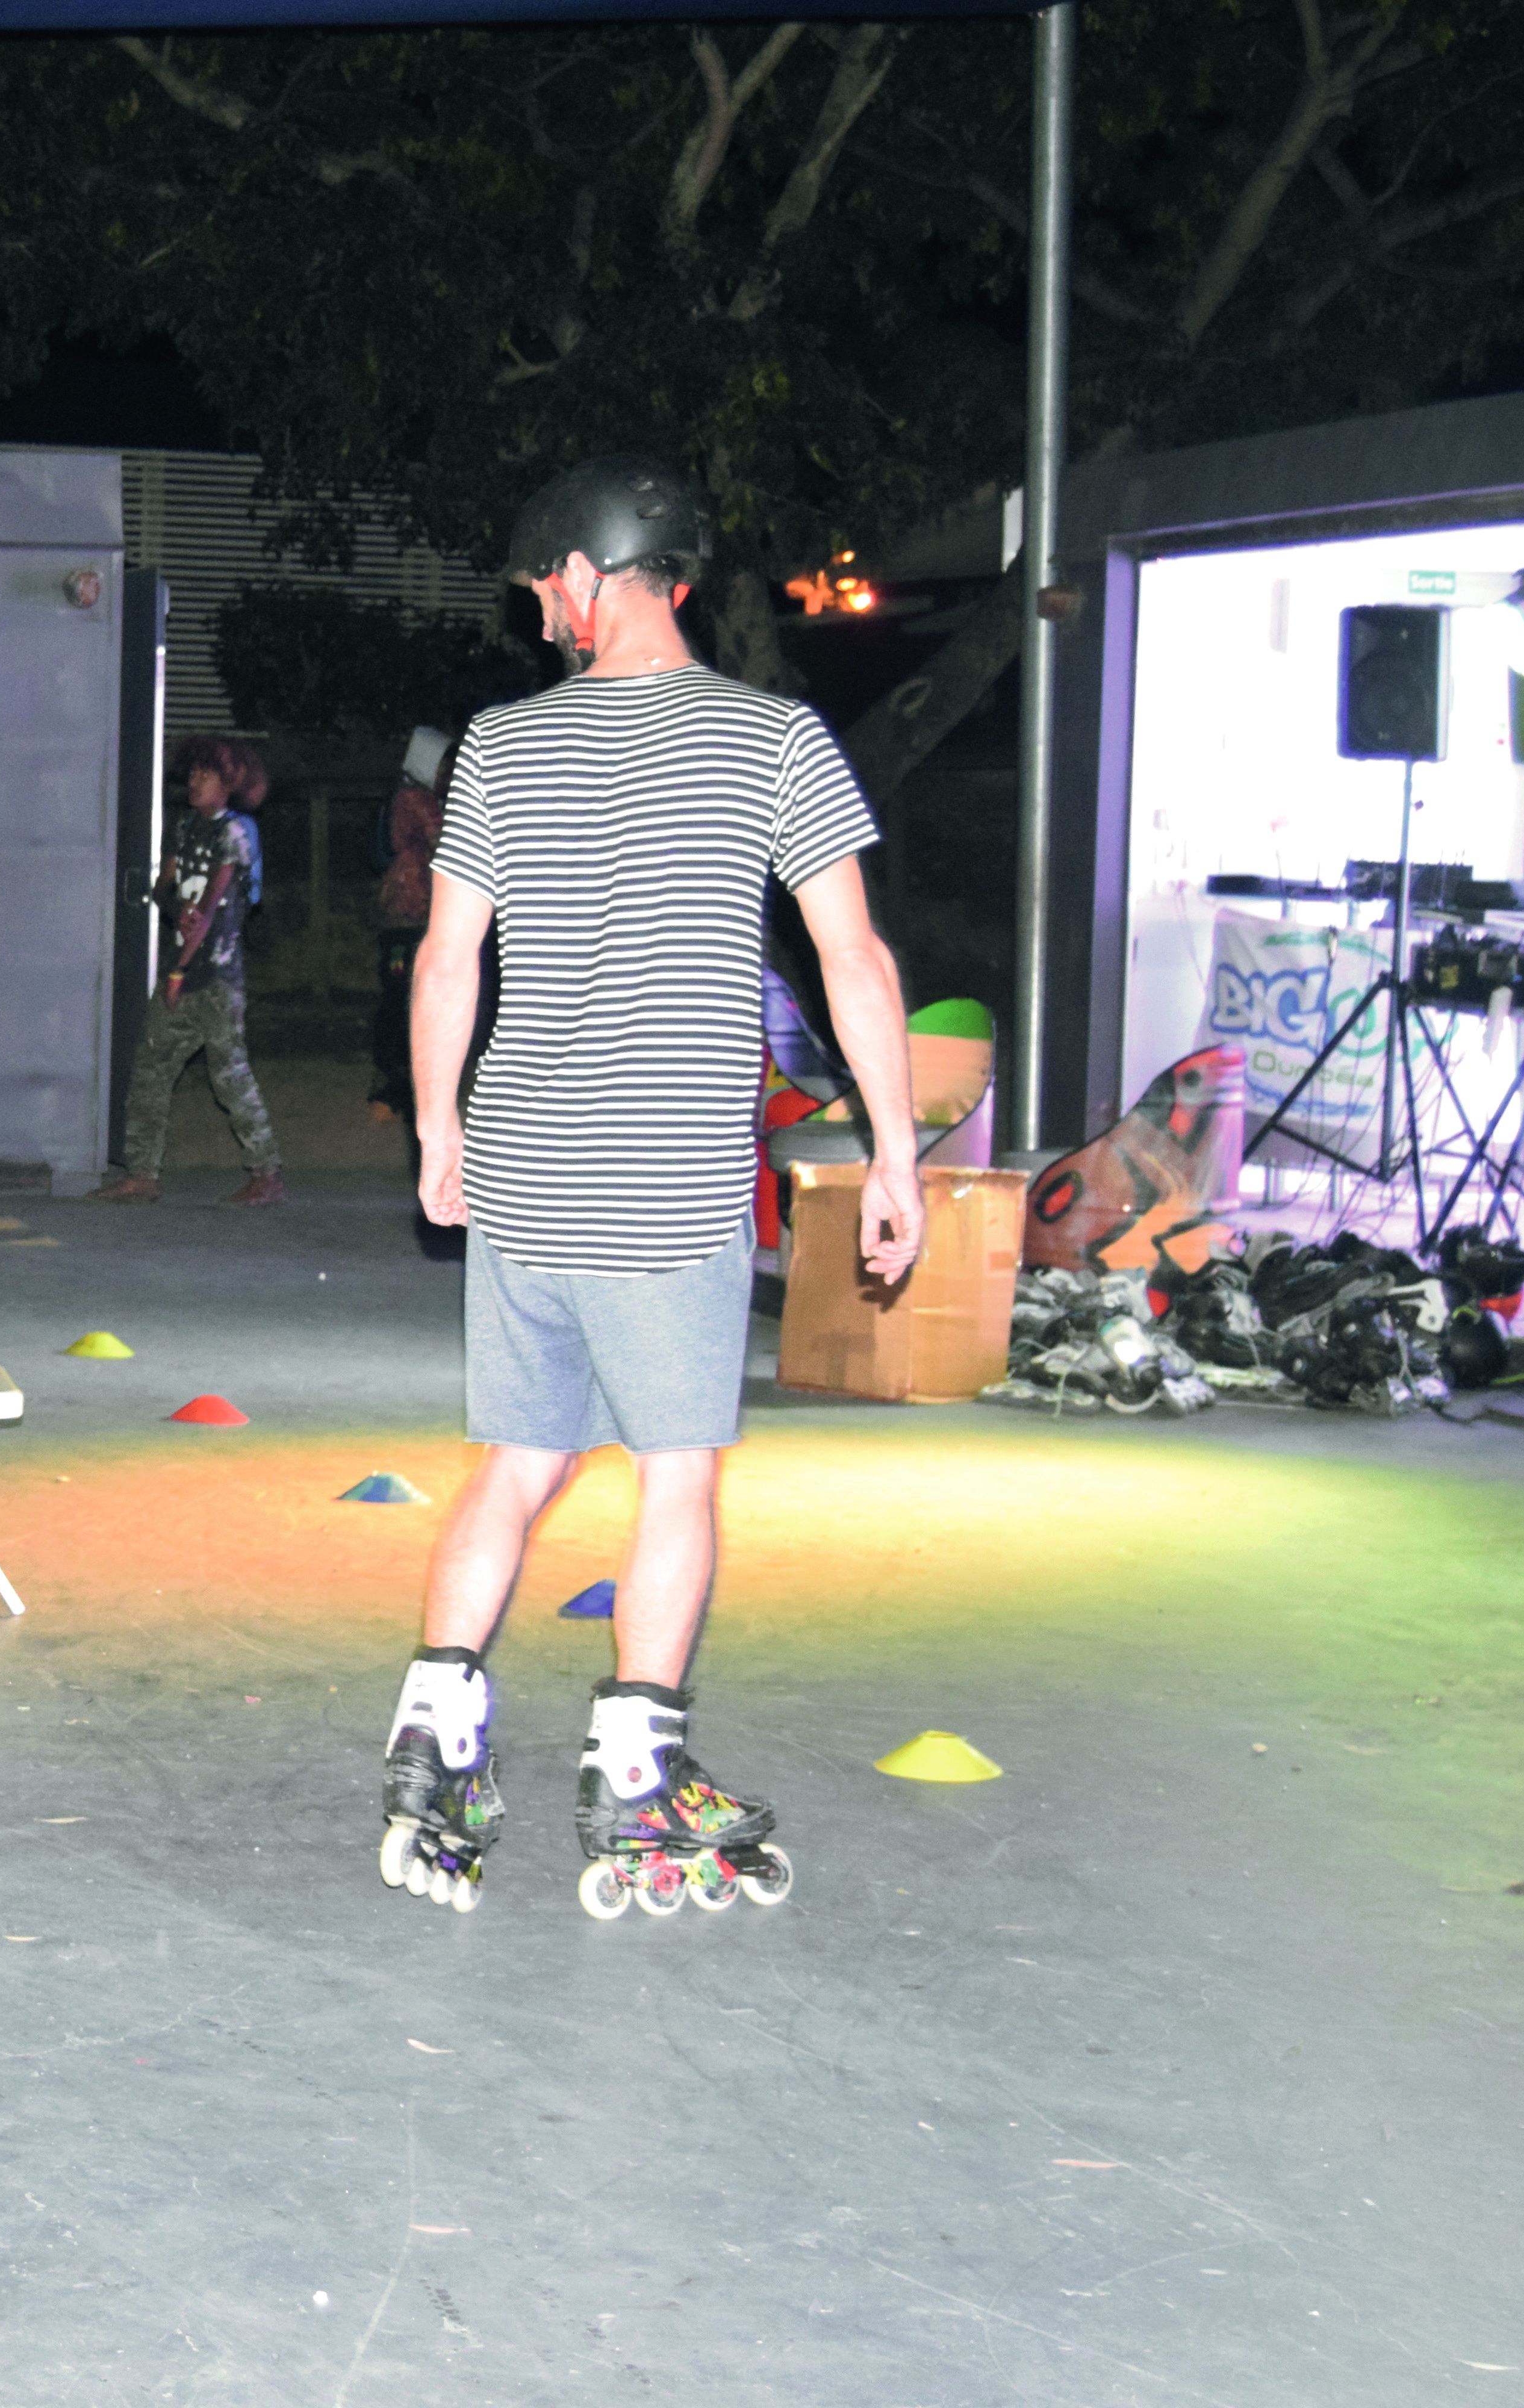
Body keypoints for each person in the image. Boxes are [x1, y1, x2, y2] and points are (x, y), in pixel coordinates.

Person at [375, 455, 922, 1917]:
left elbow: (448, 958)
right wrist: (896, 1153)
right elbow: (852, 960)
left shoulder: (500, 746)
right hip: (665, 1182)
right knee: (677, 1472)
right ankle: (634, 1767)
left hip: (527, 1168)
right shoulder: (777, 742)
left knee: (517, 1457)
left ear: (589, 569)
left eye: (542, 578)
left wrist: (439, 1127)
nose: (536, 606)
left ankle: (436, 1738)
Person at [94, 734, 286, 1207]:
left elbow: (214, 908)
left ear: (230, 785)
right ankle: (142, 1173)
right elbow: (165, 888)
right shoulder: (184, 828)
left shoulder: (235, 833)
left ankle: (267, 1174)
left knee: (230, 1076)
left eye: (206, 775)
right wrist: (175, 903)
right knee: (151, 1067)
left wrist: (178, 971)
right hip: (183, 966)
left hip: (216, 976)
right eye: (193, 774)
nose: (195, 782)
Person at [371, 725, 461, 1258]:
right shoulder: (416, 800)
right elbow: (446, 839)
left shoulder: (401, 796)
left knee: (399, 1004)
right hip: (413, 918)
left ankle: (395, 1087)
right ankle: (397, 1089)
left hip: (402, 918)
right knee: (407, 1009)